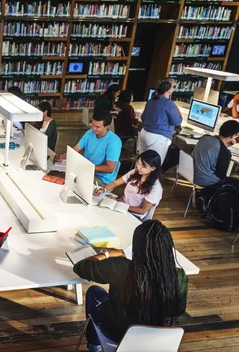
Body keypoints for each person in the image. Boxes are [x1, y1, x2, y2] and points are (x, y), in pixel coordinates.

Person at [74, 220, 188, 351]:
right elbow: (178, 310)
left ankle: (94, 346)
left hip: (118, 336)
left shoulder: (121, 267)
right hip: (158, 343)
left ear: (137, 247)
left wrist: (106, 254)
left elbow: (81, 267)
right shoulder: (178, 276)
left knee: (94, 292)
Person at [55, 110, 122, 186]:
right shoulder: (90, 133)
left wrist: (87, 168)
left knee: (69, 180)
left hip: (102, 179)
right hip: (87, 171)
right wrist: (62, 156)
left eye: (98, 127)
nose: (94, 128)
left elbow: (110, 168)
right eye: (93, 124)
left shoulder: (114, 141)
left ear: (107, 126)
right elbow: (76, 149)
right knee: (60, 176)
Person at [95, 150, 163, 221]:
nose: (139, 167)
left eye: (143, 166)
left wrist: (119, 204)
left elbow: (142, 210)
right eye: (138, 163)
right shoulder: (135, 172)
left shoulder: (155, 188)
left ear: (153, 168)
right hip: (121, 207)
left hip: (134, 215)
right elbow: (115, 183)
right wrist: (103, 189)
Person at [193, 120, 239, 202]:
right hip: (206, 181)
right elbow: (221, 175)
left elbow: (215, 149)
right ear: (233, 136)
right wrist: (225, 150)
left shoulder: (205, 138)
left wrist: (225, 146)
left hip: (192, 173)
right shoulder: (225, 153)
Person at [138, 78, 183, 162]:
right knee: (154, 165)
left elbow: (143, 117)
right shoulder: (168, 103)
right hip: (158, 138)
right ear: (168, 90)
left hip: (144, 133)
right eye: (173, 87)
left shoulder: (151, 100)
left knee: (142, 163)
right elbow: (177, 121)